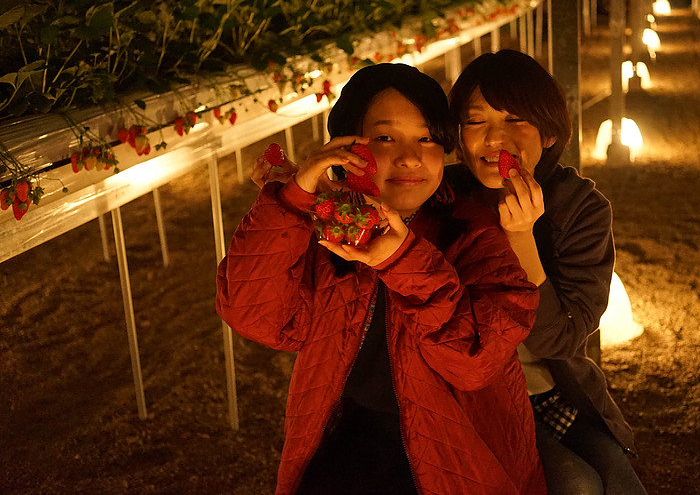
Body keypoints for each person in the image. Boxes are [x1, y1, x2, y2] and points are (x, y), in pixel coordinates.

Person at [216, 62, 546, 495]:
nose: (409, 157)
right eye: (385, 137)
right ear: (343, 148)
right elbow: (255, 315)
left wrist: (403, 259)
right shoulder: (328, 232)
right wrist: (294, 200)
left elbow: (476, 361)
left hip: (456, 458)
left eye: (427, 138)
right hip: (343, 450)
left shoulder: (474, 233)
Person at [446, 50, 646, 495]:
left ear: (551, 132)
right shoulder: (441, 199)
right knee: (577, 484)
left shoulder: (580, 210)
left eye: (516, 118)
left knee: (619, 480)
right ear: (457, 135)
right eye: (477, 121)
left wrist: (523, 239)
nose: (496, 138)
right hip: (476, 400)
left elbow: (560, 340)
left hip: (554, 390)